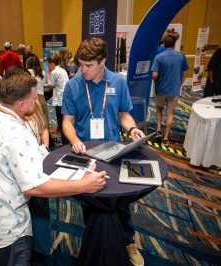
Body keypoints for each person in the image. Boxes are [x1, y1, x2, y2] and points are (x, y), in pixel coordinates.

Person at [0, 70, 106, 266]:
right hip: (6, 228)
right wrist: (84, 185)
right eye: (35, 98)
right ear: (21, 105)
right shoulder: (17, 133)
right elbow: (34, 187)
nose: (37, 102)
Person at [61, 37, 145, 266]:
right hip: (85, 155)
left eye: (88, 65)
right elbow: (67, 121)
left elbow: (124, 114)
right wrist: (75, 140)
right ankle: (95, 241)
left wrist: (133, 128)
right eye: (80, 64)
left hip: (114, 152)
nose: (83, 69)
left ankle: (128, 241)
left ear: (103, 62)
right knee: (91, 202)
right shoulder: (73, 85)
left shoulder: (117, 82)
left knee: (121, 202)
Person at [151, 34, 189, 146]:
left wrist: (153, 77)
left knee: (158, 109)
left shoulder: (158, 57)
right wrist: (179, 84)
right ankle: (166, 138)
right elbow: (184, 73)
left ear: (164, 44)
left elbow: (154, 75)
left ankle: (158, 130)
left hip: (161, 90)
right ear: (174, 44)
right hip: (174, 90)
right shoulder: (181, 56)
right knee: (170, 114)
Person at [44, 54, 69, 145]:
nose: (48, 67)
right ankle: (66, 143)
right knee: (66, 123)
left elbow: (50, 85)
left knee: (62, 124)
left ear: (52, 63)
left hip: (59, 101)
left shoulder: (54, 72)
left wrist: (47, 74)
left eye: (48, 64)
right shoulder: (63, 70)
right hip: (66, 100)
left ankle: (65, 144)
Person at [26, 54, 49, 128]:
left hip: (31, 97)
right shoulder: (42, 72)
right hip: (41, 97)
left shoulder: (27, 72)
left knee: (34, 120)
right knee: (43, 118)